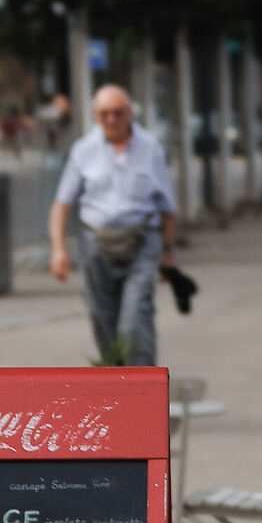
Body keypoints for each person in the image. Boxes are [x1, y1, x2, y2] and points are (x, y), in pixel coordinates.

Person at [47, 84, 177, 368]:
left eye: (118, 112)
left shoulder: (150, 148)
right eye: (105, 113)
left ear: (130, 113)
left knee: (134, 320)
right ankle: (113, 389)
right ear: (95, 115)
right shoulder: (83, 150)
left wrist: (168, 255)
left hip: (141, 242)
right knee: (103, 320)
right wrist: (59, 250)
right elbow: (61, 205)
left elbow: (168, 208)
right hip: (97, 244)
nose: (112, 119)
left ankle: (143, 393)